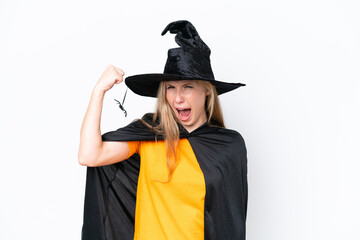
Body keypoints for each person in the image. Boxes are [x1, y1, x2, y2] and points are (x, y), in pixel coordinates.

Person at [78, 20, 248, 240]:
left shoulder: (229, 145)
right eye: (170, 88)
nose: (178, 98)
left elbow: (229, 221)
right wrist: (98, 91)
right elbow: (89, 155)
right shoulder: (149, 134)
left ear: (207, 91)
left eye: (187, 87)